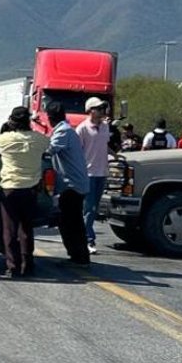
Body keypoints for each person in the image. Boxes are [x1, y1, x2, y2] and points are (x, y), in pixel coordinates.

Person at [0, 106, 50, 277]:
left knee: (9, 229)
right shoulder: (40, 140)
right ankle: (27, 264)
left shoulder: (4, 140)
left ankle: (12, 266)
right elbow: (48, 144)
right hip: (30, 189)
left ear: (12, 122)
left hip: (10, 188)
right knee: (26, 229)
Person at [47, 101, 91, 265]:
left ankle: (80, 256)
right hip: (73, 183)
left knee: (71, 222)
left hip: (72, 185)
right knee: (70, 221)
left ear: (50, 118)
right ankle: (77, 255)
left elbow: (49, 150)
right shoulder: (66, 130)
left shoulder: (63, 132)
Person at [75, 96, 111, 254]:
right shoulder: (82, 129)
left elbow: (104, 145)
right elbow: (77, 151)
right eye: (99, 108)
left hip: (101, 172)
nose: (102, 111)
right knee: (89, 208)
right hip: (88, 173)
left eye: (103, 108)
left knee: (94, 208)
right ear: (90, 110)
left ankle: (85, 237)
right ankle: (87, 239)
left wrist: (114, 155)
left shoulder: (105, 127)